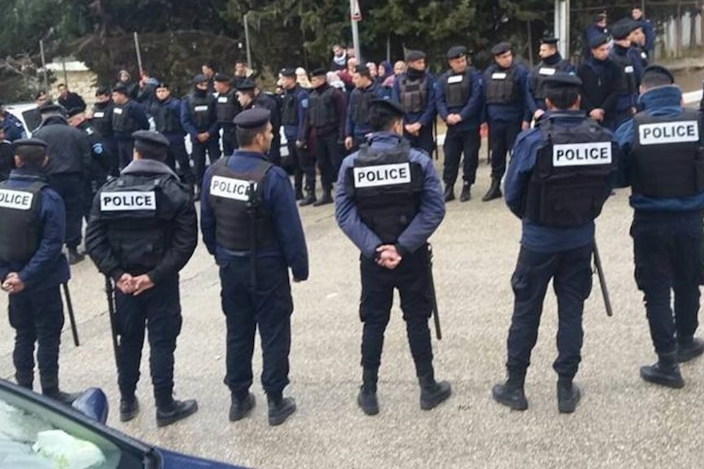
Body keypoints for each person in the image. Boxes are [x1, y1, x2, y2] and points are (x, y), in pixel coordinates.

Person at [491, 74, 617, 414]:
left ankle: (515, 386)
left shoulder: (533, 140)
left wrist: (535, 218)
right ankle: (565, 388)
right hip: (579, 239)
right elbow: (607, 185)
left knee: (526, 311)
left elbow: (512, 193)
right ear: (578, 101)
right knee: (572, 311)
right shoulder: (602, 138)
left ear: (547, 103)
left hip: (538, 241)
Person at [335, 98, 450, 415]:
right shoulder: (418, 160)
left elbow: (344, 214)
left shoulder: (351, 164)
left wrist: (374, 248)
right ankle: (428, 388)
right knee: (416, 320)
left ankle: (369, 391)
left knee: (374, 322)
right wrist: (402, 247)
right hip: (410, 257)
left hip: (373, 259)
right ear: (397, 125)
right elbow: (434, 210)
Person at [615, 65, 704, 388]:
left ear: (643, 93)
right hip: (691, 221)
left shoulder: (631, 128)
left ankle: (667, 363)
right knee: (689, 281)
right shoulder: (702, 123)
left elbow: (619, 176)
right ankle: (686, 341)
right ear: (674, 92)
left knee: (656, 291)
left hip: (650, 221)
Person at [200, 108, 309, 426]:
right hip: (266, 267)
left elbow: (207, 221)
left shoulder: (215, 171)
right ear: (259, 137)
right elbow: (290, 230)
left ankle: (239, 398)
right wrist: (299, 268)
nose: (273, 136)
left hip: (231, 266)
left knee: (238, 330)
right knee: (274, 332)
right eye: (270, 132)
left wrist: (219, 254)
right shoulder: (272, 177)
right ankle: (276, 400)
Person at [86, 131, 198, 427]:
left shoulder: (108, 191)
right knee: (162, 342)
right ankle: (165, 406)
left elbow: (94, 241)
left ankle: (127, 401)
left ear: (135, 154)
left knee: (129, 339)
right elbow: (185, 243)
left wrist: (118, 275)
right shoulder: (175, 192)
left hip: (124, 285)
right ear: (163, 157)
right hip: (159, 282)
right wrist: (153, 276)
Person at [0, 139, 78, 403]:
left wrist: (9, 276)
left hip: (14, 280)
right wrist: (26, 277)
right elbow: (53, 244)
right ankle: (51, 393)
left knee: (23, 334)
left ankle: (23, 393)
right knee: (47, 335)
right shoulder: (47, 196)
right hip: (42, 281)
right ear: (44, 161)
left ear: (17, 160)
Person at [32, 103, 91, 265]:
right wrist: (84, 178)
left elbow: (34, 160)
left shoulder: (38, 135)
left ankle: (53, 249)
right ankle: (73, 249)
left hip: (48, 180)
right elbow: (87, 159)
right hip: (73, 179)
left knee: (51, 214)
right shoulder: (77, 133)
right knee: (73, 213)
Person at [481, 42, 531, 201]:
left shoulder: (520, 72)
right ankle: (495, 186)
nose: (508, 59)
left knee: (516, 154)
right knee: (497, 154)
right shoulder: (488, 73)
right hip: (495, 121)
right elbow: (484, 99)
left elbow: (526, 97)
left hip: (514, 120)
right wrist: (483, 121)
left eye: (509, 55)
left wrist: (526, 119)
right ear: (496, 58)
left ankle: (519, 187)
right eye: (504, 57)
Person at [435, 46, 484, 202]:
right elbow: (439, 99)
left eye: (463, 60)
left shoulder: (473, 76)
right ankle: (449, 187)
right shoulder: (444, 79)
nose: (462, 64)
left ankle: (467, 185)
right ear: (451, 63)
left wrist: (462, 116)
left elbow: (476, 98)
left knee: (470, 157)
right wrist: (446, 116)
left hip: (469, 124)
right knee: (450, 157)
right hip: (452, 125)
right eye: (458, 61)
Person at [299, 68, 347, 206]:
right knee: (322, 164)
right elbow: (308, 118)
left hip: (332, 133)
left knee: (337, 163)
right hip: (318, 135)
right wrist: (304, 136)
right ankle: (326, 193)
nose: (312, 82)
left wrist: (341, 136)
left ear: (322, 79)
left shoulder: (335, 94)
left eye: (314, 80)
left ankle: (343, 192)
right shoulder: (312, 96)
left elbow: (343, 115)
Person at [66, 107, 112, 223]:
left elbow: (103, 153)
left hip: (94, 175)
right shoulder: (78, 132)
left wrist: (103, 171)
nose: (69, 125)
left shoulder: (89, 133)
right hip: (87, 175)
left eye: (71, 121)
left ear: (80, 119)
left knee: (93, 205)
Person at [182, 74, 220, 199]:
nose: (204, 87)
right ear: (195, 85)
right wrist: (196, 134)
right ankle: (200, 189)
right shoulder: (188, 100)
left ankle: (217, 188)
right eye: (201, 85)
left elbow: (218, 118)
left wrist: (209, 133)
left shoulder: (212, 99)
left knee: (216, 163)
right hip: (196, 137)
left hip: (211, 136)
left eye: (206, 84)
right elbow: (185, 120)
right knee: (198, 165)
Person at [392, 51, 436, 156]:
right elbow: (396, 102)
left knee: (425, 157)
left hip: (424, 125)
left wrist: (420, 123)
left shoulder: (428, 78)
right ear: (410, 64)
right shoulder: (398, 80)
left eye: (423, 62)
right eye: (419, 63)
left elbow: (432, 102)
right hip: (406, 125)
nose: (423, 65)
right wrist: (406, 124)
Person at [279, 68, 313, 201]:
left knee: (306, 165)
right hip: (289, 135)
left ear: (291, 79)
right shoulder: (287, 94)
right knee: (296, 166)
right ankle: (297, 191)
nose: (282, 82)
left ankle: (310, 192)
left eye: (284, 79)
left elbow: (303, 118)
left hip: (298, 136)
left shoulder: (302, 94)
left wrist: (301, 137)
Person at [578, 34, 623, 131]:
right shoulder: (584, 68)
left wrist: (602, 109)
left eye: (607, 49)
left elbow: (616, 90)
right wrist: (591, 110)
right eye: (602, 50)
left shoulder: (614, 67)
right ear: (593, 51)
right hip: (588, 114)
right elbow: (580, 91)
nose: (605, 52)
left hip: (608, 114)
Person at [152, 82, 192, 186]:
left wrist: (181, 134)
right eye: (158, 91)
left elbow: (183, 119)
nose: (161, 93)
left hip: (176, 137)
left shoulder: (176, 104)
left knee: (184, 165)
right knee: (167, 167)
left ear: (168, 91)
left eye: (163, 91)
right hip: (163, 138)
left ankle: (190, 189)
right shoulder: (155, 105)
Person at [235, 79, 283, 167]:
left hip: (268, 143)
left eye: (239, 96)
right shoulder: (249, 105)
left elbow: (273, 125)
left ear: (246, 95)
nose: (238, 99)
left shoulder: (266, 103)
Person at [529, 36, 575, 118]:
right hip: (539, 111)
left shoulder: (565, 67)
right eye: (540, 50)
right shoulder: (536, 69)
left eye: (543, 50)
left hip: (559, 110)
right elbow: (528, 91)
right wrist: (535, 110)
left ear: (553, 50)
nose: (540, 53)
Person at [111, 84, 150, 171]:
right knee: (123, 166)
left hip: (132, 141)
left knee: (135, 165)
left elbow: (145, 124)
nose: (113, 98)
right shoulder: (116, 107)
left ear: (122, 95)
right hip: (120, 141)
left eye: (115, 95)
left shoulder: (134, 107)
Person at [345, 66, 382, 152]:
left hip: (373, 135)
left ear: (365, 77)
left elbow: (383, 115)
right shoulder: (354, 93)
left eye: (356, 78)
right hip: (357, 135)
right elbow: (350, 114)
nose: (353, 81)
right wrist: (348, 135)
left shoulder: (378, 91)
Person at [89, 86, 118, 176]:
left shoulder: (113, 108)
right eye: (97, 98)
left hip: (110, 137)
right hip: (98, 137)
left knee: (113, 161)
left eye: (101, 98)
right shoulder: (95, 108)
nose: (99, 100)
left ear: (108, 97)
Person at [213, 73, 242, 157]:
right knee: (227, 155)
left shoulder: (234, 94)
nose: (214, 87)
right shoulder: (219, 96)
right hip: (225, 130)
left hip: (235, 129)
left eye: (216, 84)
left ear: (222, 84)